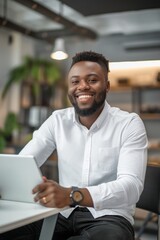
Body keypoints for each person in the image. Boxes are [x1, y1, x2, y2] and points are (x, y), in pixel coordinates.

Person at [0, 51, 148, 240]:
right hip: (61, 213)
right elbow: (24, 162)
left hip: (108, 218)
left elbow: (131, 187)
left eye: (92, 80)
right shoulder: (58, 120)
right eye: (75, 81)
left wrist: (72, 195)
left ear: (107, 86)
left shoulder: (128, 124)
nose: (82, 86)